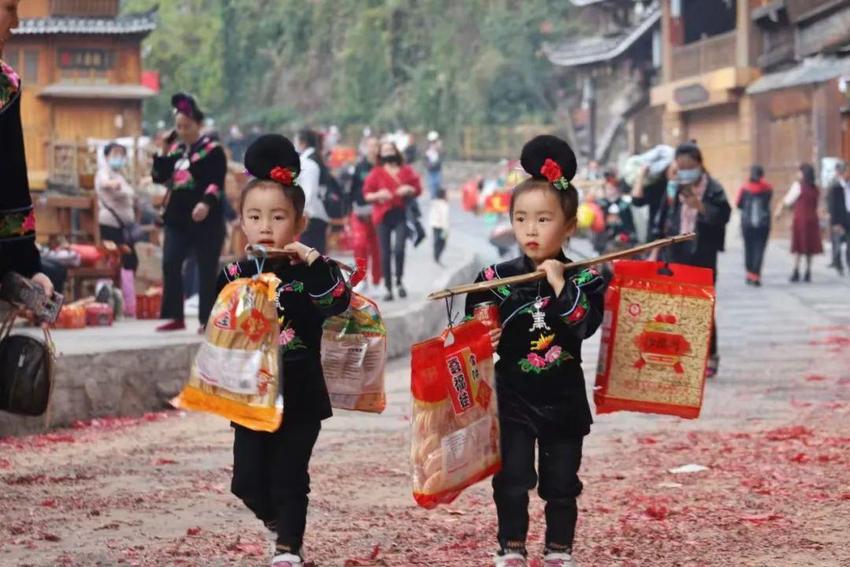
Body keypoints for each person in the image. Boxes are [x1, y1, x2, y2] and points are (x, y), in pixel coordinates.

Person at [465, 135, 606, 567]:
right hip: (513, 396)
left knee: (562, 482)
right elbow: (470, 331)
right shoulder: (493, 276)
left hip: (564, 397)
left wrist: (561, 281)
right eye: (521, 218)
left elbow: (584, 326)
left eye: (543, 219)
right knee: (512, 477)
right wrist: (478, 342)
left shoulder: (586, 278)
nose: (530, 229)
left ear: (568, 227)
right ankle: (511, 546)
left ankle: (559, 549)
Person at [223, 134, 351, 567]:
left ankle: (288, 547)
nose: (265, 225)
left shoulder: (314, 271)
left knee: (290, 474)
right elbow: (219, 326)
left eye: (277, 216)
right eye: (255, 215)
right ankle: (279, 522)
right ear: (242, 222)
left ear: (298, 223)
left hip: (301, 393)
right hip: (250, 396)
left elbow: (338, 301)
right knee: (246, 481)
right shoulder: (236, 273)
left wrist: (315, 261)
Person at [651, 142, 730, 378]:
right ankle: (682, 353)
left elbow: (723, 216)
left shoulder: (713, 188)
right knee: (676, 307)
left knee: (703, 306)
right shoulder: (673, 187)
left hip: (704, 255)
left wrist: (701, 207)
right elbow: (661, 219)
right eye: (681, 166)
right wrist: (656, 247)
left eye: (690, 166)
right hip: (675, 253)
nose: (686, 171)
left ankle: (711, 354)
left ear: (699, 164)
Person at [151, 92, 227, 333]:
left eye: (187, 126)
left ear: (198, 124)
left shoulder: (213, 150)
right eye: (179, 127)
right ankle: (175, 315)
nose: (182, 131)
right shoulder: (176, 152)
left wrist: (205, 203)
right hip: (177, 219)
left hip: (206, 220)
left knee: (206, 268)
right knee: (170, 262)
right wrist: (163, 150)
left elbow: (216, 182)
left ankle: (207, 319)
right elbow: (158, 177)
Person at [1, 0, 53, 301]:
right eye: (9, 8)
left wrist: (29, 266)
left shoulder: (4, 86)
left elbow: (11, 181)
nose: (16, 22)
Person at [362, 141, 423, 301]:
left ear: (396, 151)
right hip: (382, 216)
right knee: (385, 253)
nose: (388, 152)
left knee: (400, 248)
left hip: (401, 214)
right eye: (385, 150)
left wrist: (408, 189)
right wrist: (379, 195)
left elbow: (418, 188)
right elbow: (367, 194)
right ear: (380, 154)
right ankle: (388, 287)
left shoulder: (406, 170)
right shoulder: (376, 172)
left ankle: (399, 281)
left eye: (391, 149)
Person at [774, 163, 823, 282]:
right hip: (812, 220)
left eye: (800, 172)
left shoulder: (798, 186)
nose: (798, 174)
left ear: (803, 174)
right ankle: (808, 271)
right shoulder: (815, 188)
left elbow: (787, 201)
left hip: (801, 220)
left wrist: (778, 212)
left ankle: (796, 271)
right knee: (810, 247)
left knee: (799, 246)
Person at [96, 142, 139, 272]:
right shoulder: (103, 173)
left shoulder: (120, 176)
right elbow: (105, 183)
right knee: (115, 260)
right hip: (111, 225)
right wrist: (112, 184)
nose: (119, 156)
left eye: (121, 154)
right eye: (115, 153)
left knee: (129, 261)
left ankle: (126, 290)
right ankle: (113, 289)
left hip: (124, 227)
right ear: (106, 156)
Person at [348, 135, 382, 293]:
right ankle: (362, 279)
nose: (373, 149)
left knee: (377, 248)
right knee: (359, 244)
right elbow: (353, 190)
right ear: (366, 147)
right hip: (360, 212)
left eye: (376, 145)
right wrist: (351, 209)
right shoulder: (360, 167)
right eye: (370, 145)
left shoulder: (384, 167)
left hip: (379, 214)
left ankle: (376, 282)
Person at [736, 165, 773, 286]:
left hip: (747, 223)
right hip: (763, 223)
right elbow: (768, 202)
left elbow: (738, 204)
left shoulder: (744, 188)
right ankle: (756, 275)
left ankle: (749, 274)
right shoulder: (768, 188)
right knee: (760, 249)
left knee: (748, 248)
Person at [295, 129, 331, 253]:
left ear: (303, 142)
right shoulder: (315, 157)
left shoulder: (309, 162)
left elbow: (309, 190)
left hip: (310, 215)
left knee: (309, 256)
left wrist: (304, 212)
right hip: (317, 214)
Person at [826, 162, 850, 275]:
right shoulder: (835, 186)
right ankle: (838, 264)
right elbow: (832, 205)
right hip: (839, 218)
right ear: (843, 173)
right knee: (838, 243)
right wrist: (835, 222)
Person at [429, 187, 450, 265]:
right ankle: (437, 257)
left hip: (434, 225)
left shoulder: (434, 203)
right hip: (442, 227)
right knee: (442, 242)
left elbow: (431, 215)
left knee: (436, 241)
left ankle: (435, 256)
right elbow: (445, 218)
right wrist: (446, 229)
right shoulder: (444, 205)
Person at [424, 130, 443, 198]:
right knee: (432, 185)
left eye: (434, 140)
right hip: (430, 169)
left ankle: (438, 198)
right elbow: (425, 158)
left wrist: (437, 147)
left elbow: (441, 154)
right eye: (432, 141)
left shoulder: (439, 146)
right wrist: (427, 165)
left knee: (438, 184)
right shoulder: (427, 147)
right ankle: (433, 198)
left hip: (437, 169)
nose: (433, 142)